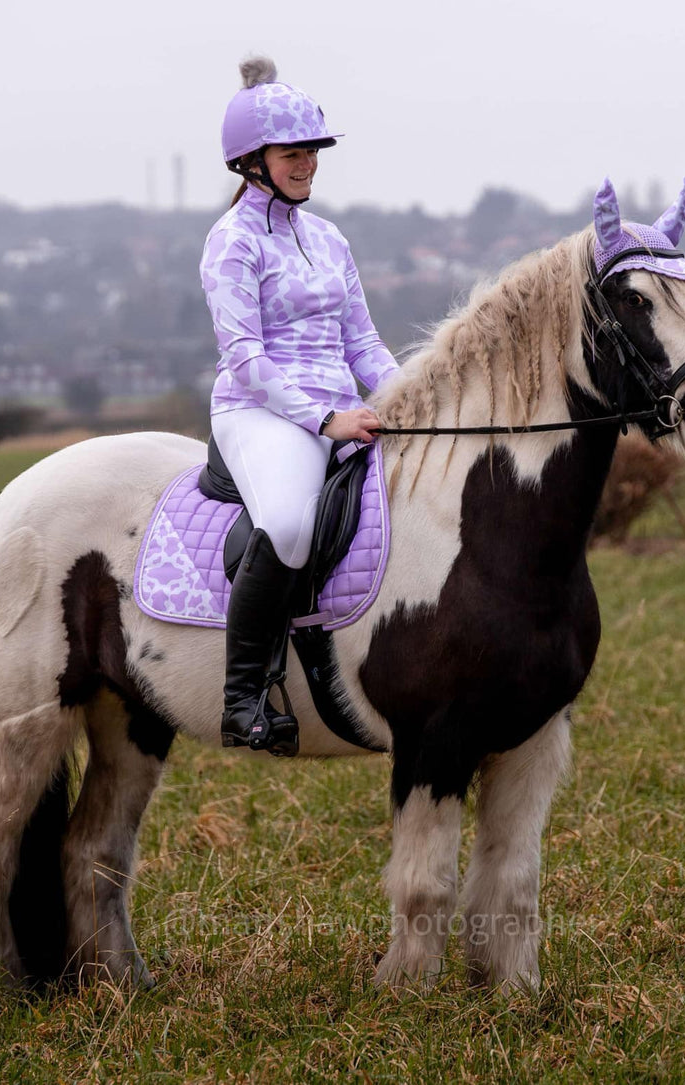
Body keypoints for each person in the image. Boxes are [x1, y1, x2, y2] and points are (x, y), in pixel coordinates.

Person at [201, 57, 400, 754]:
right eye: (292, 154)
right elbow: (245, 358)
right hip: (260, 411)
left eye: (311, 151)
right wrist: (324, 420)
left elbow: (362, 343)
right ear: (251, 162)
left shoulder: (328, 238)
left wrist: (410, 397)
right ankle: (243, 698)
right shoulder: (232, 241)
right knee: (287, 523)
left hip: (339, 406)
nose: (307, 164)